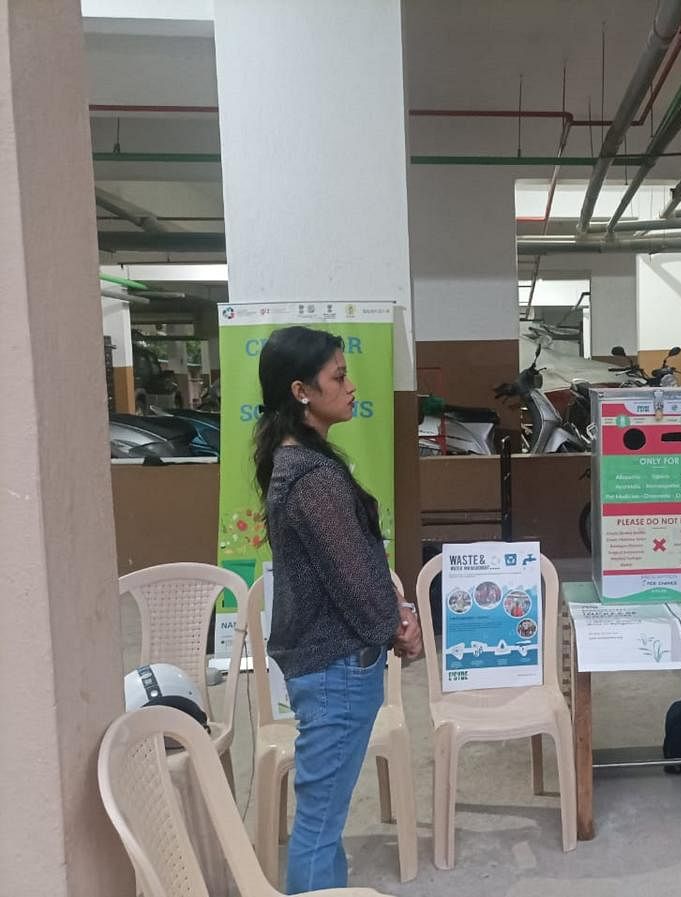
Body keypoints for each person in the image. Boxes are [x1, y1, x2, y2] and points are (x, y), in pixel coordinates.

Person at [253, 326, 423, 894]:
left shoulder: (300, 462)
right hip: (336, 672)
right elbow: (354, 577)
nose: (351, 387)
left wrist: (394, 609)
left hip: (328, 669)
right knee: (320, 828)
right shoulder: (311, 478)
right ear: (302, 390)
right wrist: (399, 625)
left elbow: (360, 566)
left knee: (324, 822)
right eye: (339, 377)